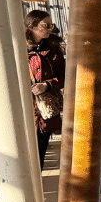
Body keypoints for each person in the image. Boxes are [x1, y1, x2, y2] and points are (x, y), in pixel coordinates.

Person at [25, 11, 64, 168]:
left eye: (51, 25)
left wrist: (47, 85)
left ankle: (37, 188)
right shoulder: (18, 47)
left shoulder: (53, 48)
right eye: (45, 25)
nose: (50, 28)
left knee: (40, 150)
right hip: (25, 108)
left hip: (44, 109)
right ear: (32, 26)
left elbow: (63, 76)